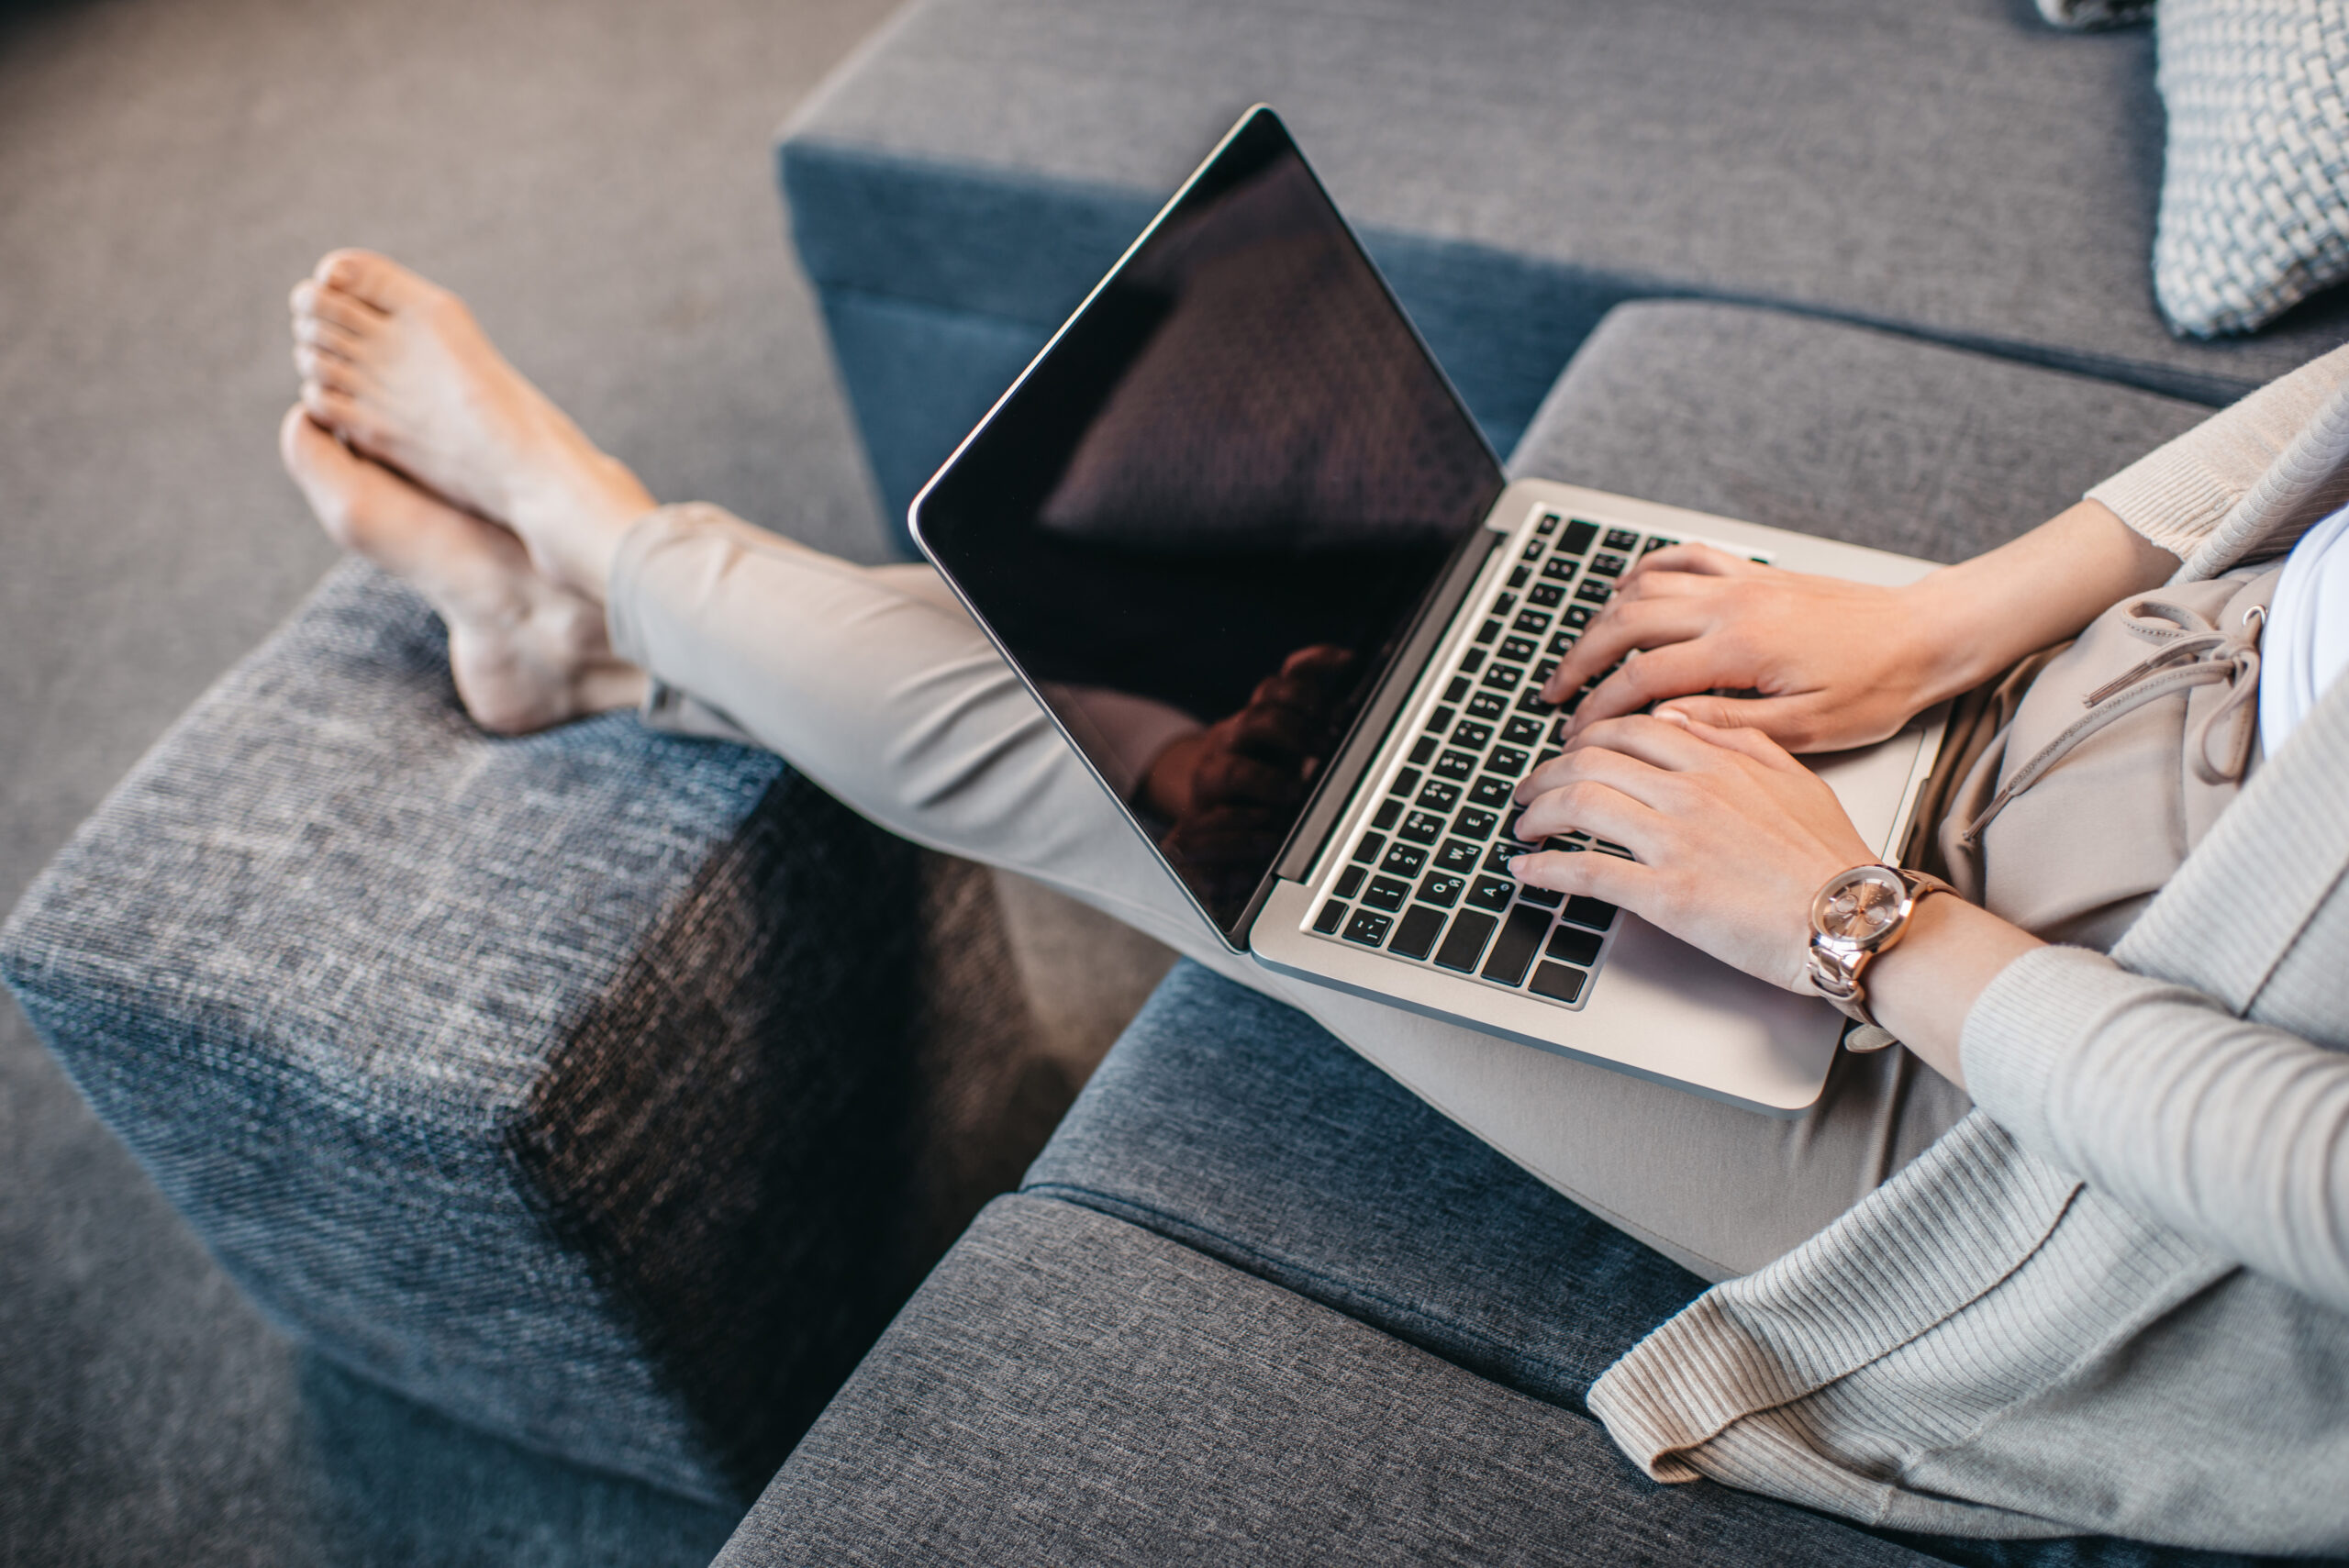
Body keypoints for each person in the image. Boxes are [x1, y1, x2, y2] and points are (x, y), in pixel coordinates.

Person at [282, 249, 2349, 1549]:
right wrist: (1949, 629)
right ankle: (592, 651)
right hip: (2087, 697)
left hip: (2044, 1155)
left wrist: (1851, 927)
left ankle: (585, 536)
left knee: (1184, 788)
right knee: (1405, 649)